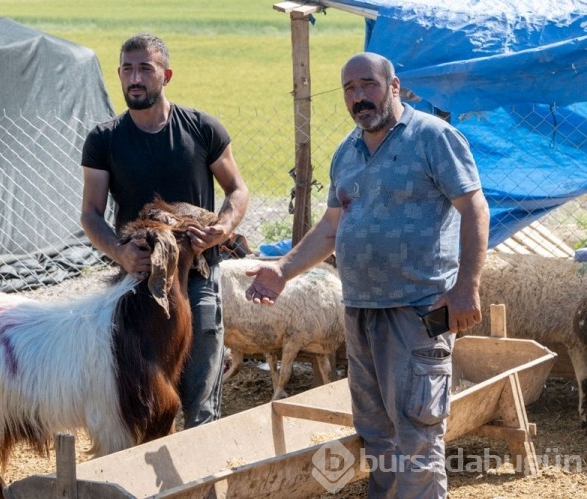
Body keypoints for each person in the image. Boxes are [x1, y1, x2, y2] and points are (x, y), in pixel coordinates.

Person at [245, 52, 489, 498]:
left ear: (394, 87)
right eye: (350, 89)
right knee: (376, 432)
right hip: (360, 309)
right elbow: (331, 229)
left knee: (417, 431)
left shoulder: (433, 137)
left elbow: (474, 208)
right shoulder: (347, 152)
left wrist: (466, 287)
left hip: (419, 310)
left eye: (368, 85)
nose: (359, 97)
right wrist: (282, 270)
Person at [80, 33, 249, 429]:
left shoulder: (202, 128)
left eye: (145, 69)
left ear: (166, 75)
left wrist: (222, 229)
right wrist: (120, 254)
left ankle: (203, 479)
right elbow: (91, 213)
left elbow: (237, 189)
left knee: (200, 393)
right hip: (138, 277)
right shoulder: (104, 140)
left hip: (198, 274)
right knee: (140, 392)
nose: (134, 78)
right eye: (127, 69)